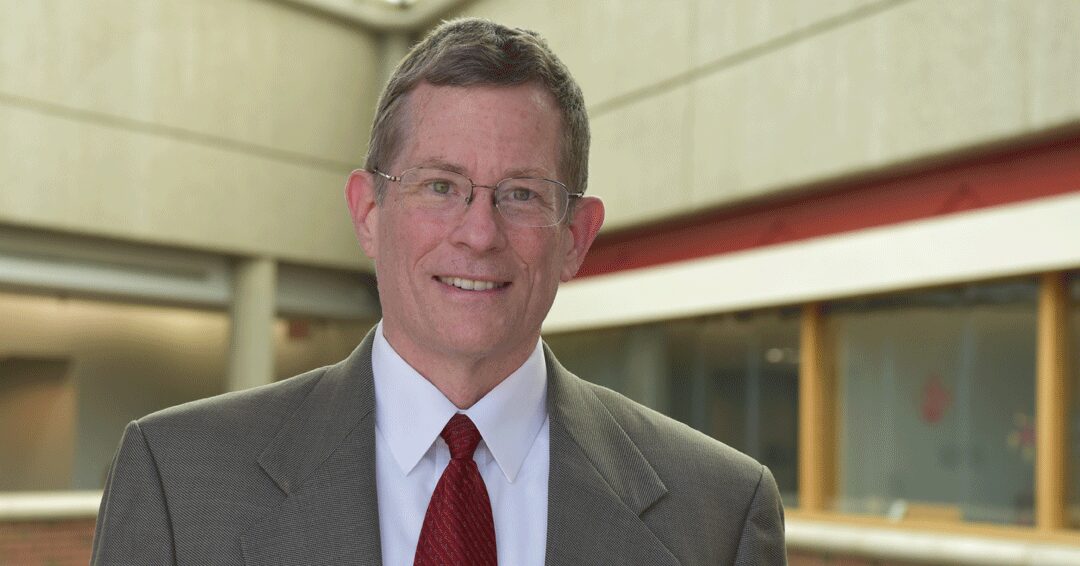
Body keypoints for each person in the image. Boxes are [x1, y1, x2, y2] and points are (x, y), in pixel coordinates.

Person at [91, 18, 786, 565]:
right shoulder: (178, 481)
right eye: (440, 186)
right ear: (368, 213)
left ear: (575, 235)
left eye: (520, 193)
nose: (478, 233)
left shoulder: (718, 511)